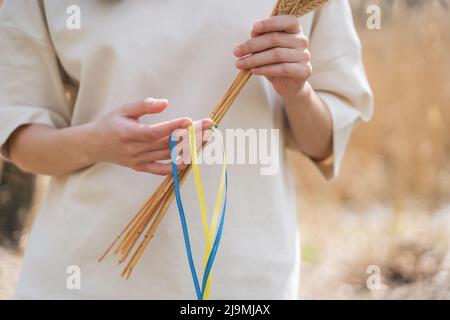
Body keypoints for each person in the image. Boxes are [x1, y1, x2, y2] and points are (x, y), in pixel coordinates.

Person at [0, 0, 372, 299]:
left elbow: (324, 141)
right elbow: (20, 137)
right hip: (85, 275)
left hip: (242, 277)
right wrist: (98, 143)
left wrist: (296, 90)